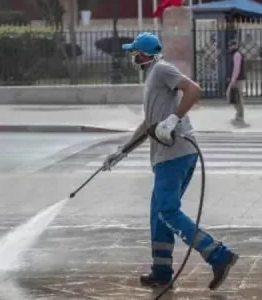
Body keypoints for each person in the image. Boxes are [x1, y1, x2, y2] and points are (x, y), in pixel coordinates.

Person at [102, 32, 238, 291]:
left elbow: (194, 90)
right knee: (158, 214)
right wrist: (122, 151)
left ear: (143, 55)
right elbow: (149, 125)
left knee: (167, 211)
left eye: (135, 53)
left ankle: (218, 255)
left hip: (174, 154)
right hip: (173, 154)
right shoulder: (153, 77)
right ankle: (161, 271)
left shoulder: (162, 69)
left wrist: (174, 118)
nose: (133, 57)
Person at [226, 39, 245, 124]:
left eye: (232, 45)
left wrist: (233, 80)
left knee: (237, 97)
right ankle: (238, 114)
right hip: (235, 79)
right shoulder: (233, 54)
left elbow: (236, 68)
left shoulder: (237, 54)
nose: (230, 47)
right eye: (230, 46)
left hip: (237, 79)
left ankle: (240, 115)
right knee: (233, 96)